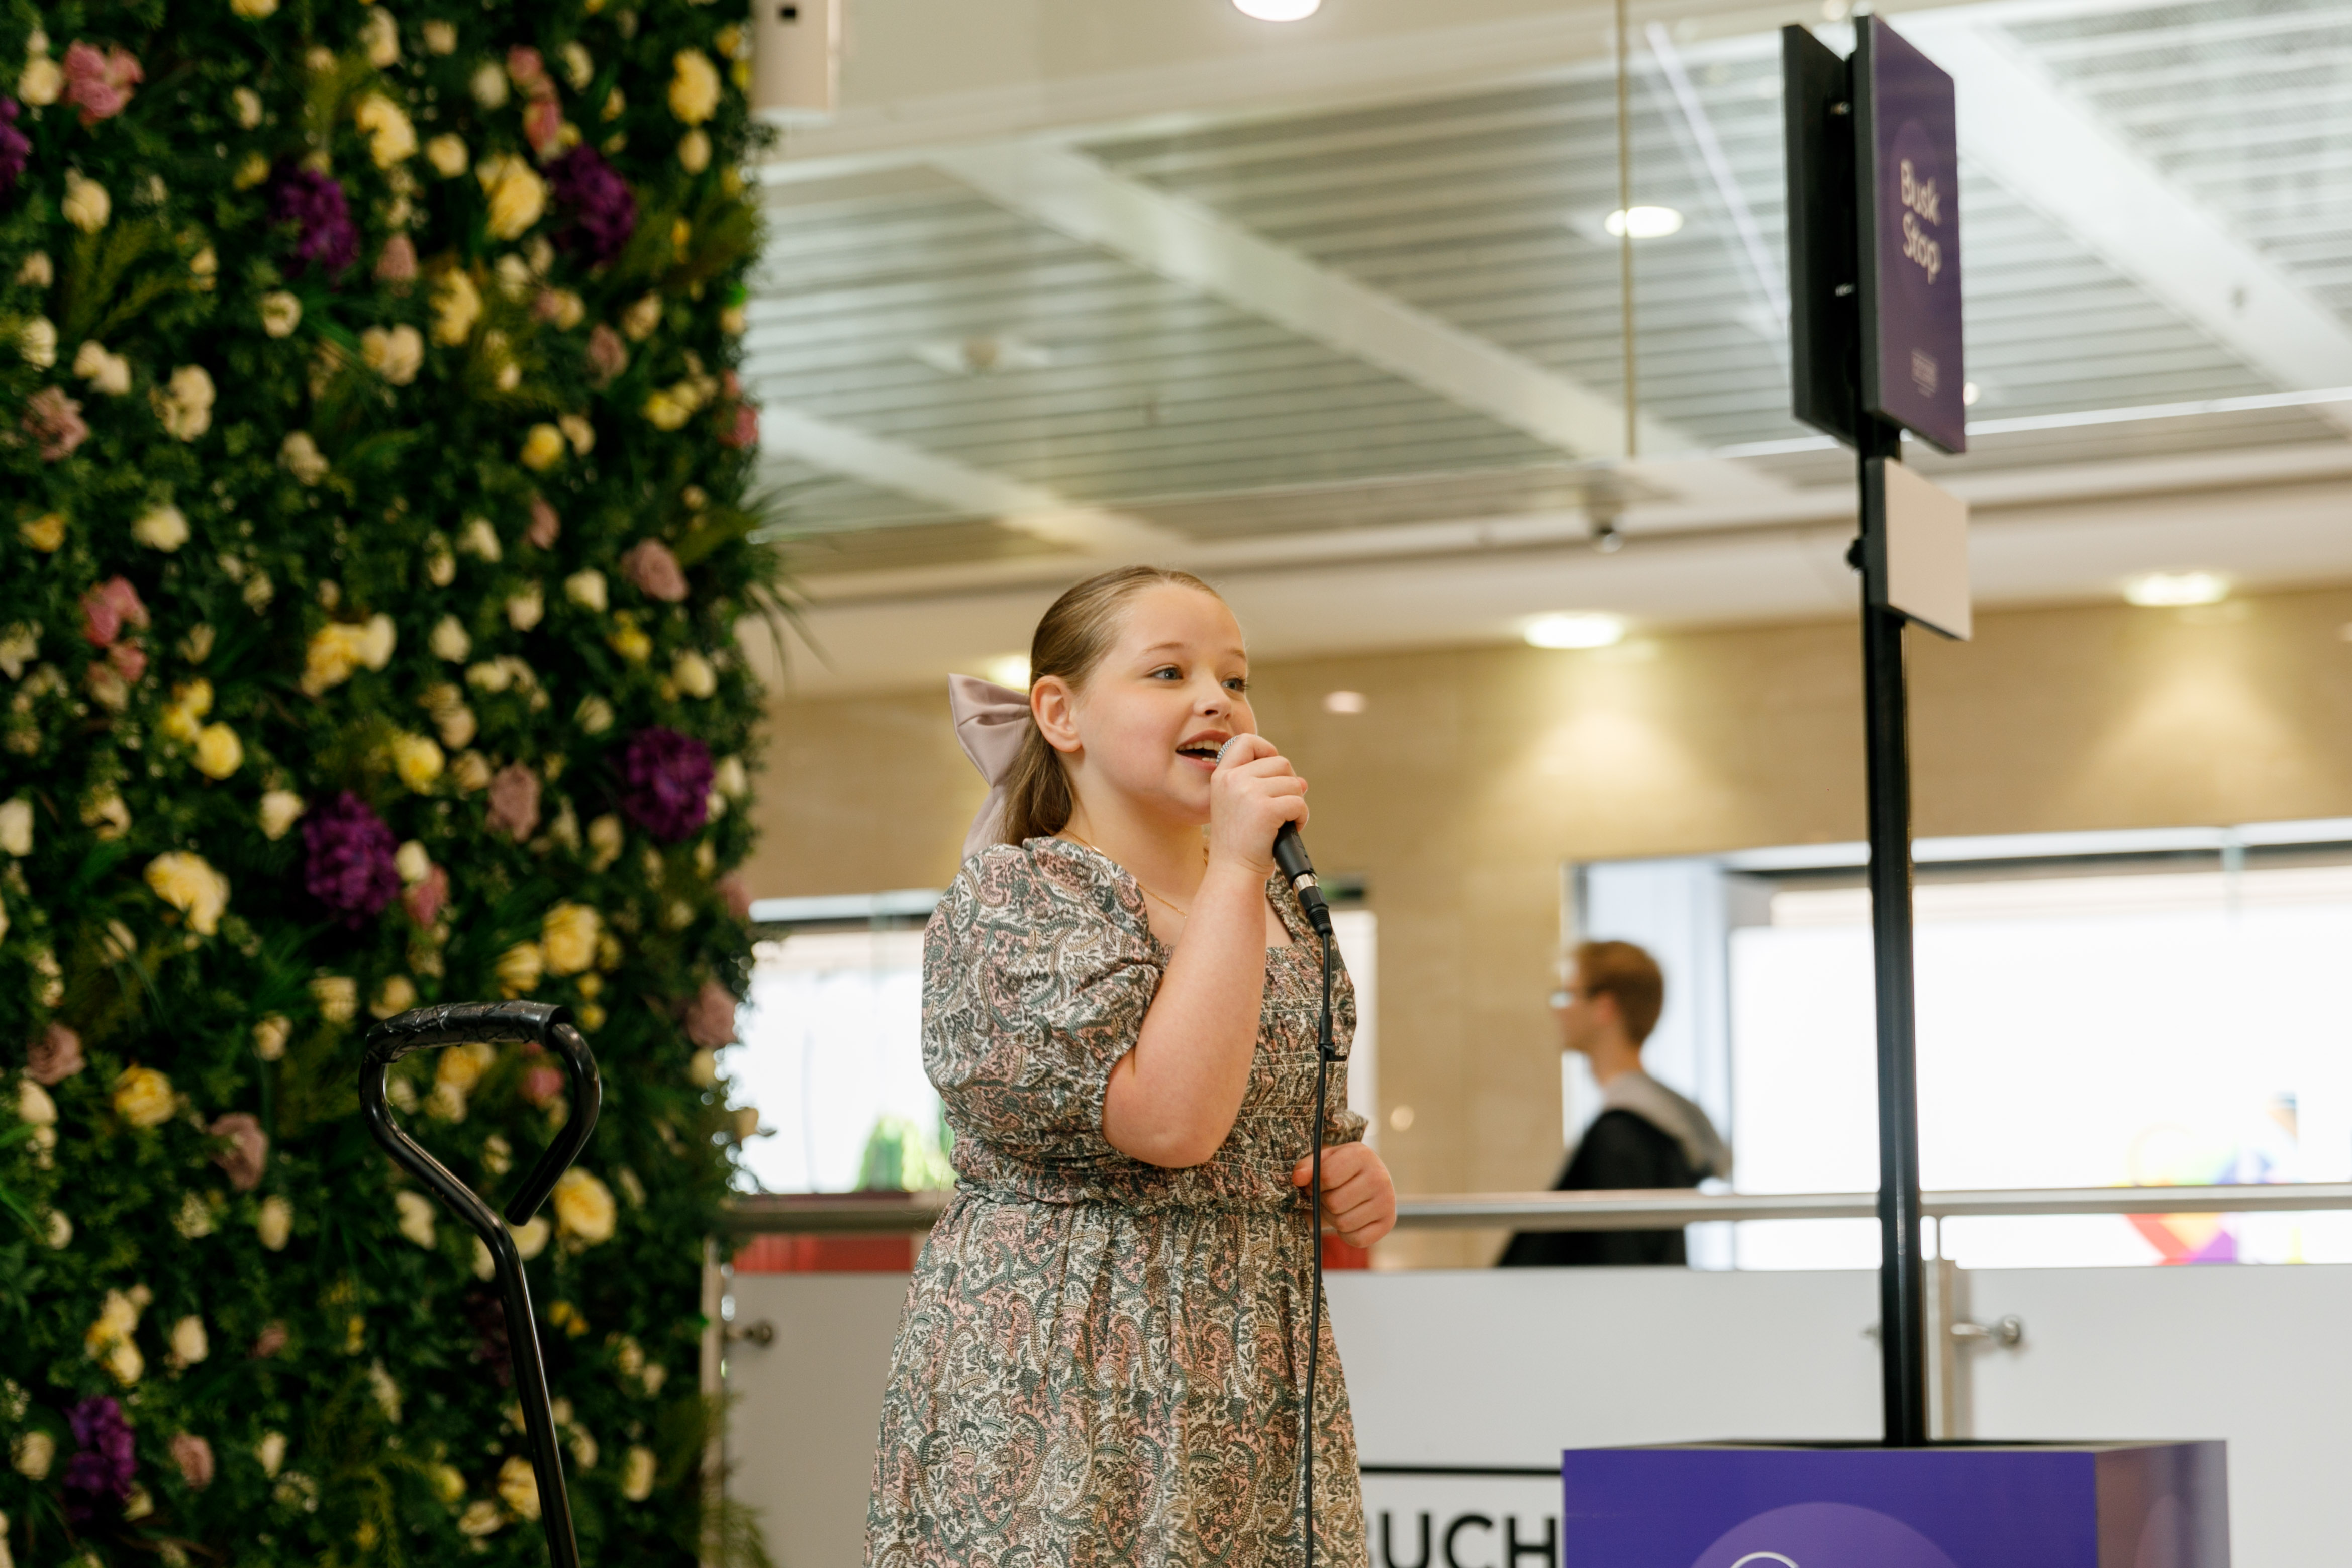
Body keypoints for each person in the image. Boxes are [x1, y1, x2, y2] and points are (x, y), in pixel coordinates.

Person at [868, 565, 1397, 1568]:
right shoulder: (1019, 899)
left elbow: (1268, 1118)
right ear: (1060, 713)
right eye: (1167, 672)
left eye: (1234, 680)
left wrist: (1343, 1169)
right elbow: (1167, 1123)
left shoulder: (1270, 910)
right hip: (1075, 1370)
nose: (1216, 699)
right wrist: (1239, 864)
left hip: (1255, 1373)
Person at [1497, 939, 1732, 1268]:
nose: (1558, 1009)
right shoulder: (1656, 1125)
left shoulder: (1622, 1134)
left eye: (1569, 994)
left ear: (1604, 1007)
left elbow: (1619, 1265)